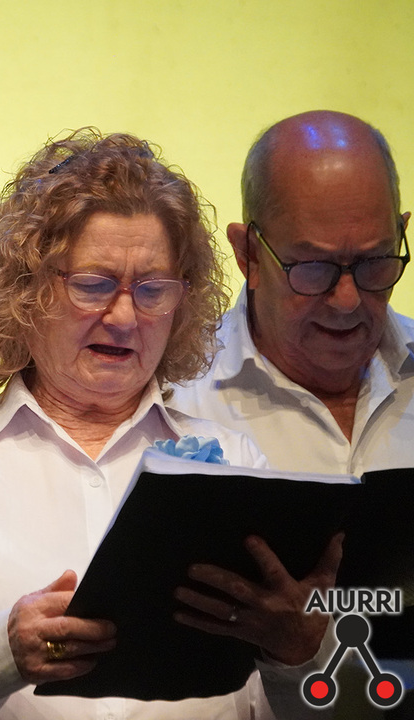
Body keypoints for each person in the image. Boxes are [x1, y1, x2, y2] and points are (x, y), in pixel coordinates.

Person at [0, 129, 342, 720]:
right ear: (26, 291)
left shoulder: (236, 461)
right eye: (94, 285)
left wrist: (297, 653)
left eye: (152, 290)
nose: (123, 316)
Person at [167, 110, 413, 719]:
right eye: (313, 268)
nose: (348, 300)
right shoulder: (171, 400)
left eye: (376, 262)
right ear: (248, 253)